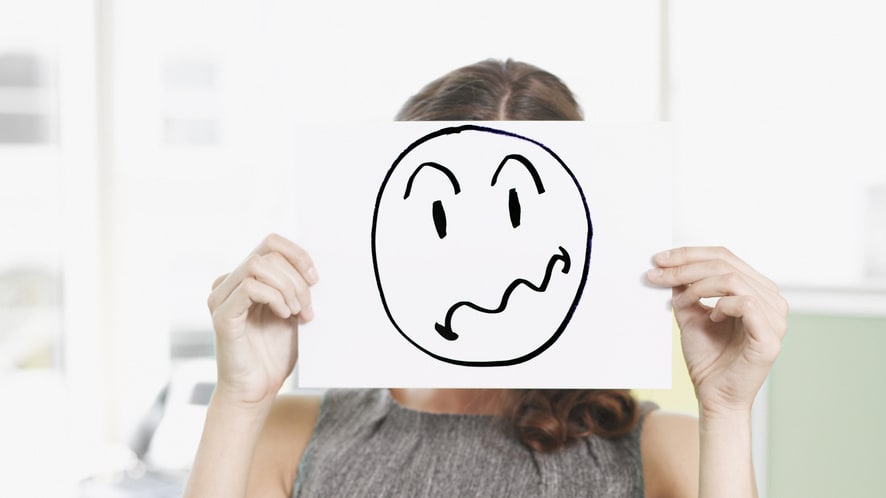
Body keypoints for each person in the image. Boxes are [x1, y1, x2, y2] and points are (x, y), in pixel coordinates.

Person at [184, 59, 788, 498]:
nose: (478, 257)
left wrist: (728, 411)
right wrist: (241, 398)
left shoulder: (663, 453)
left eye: (516, 212)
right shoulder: (293, 436)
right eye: (439, 215)